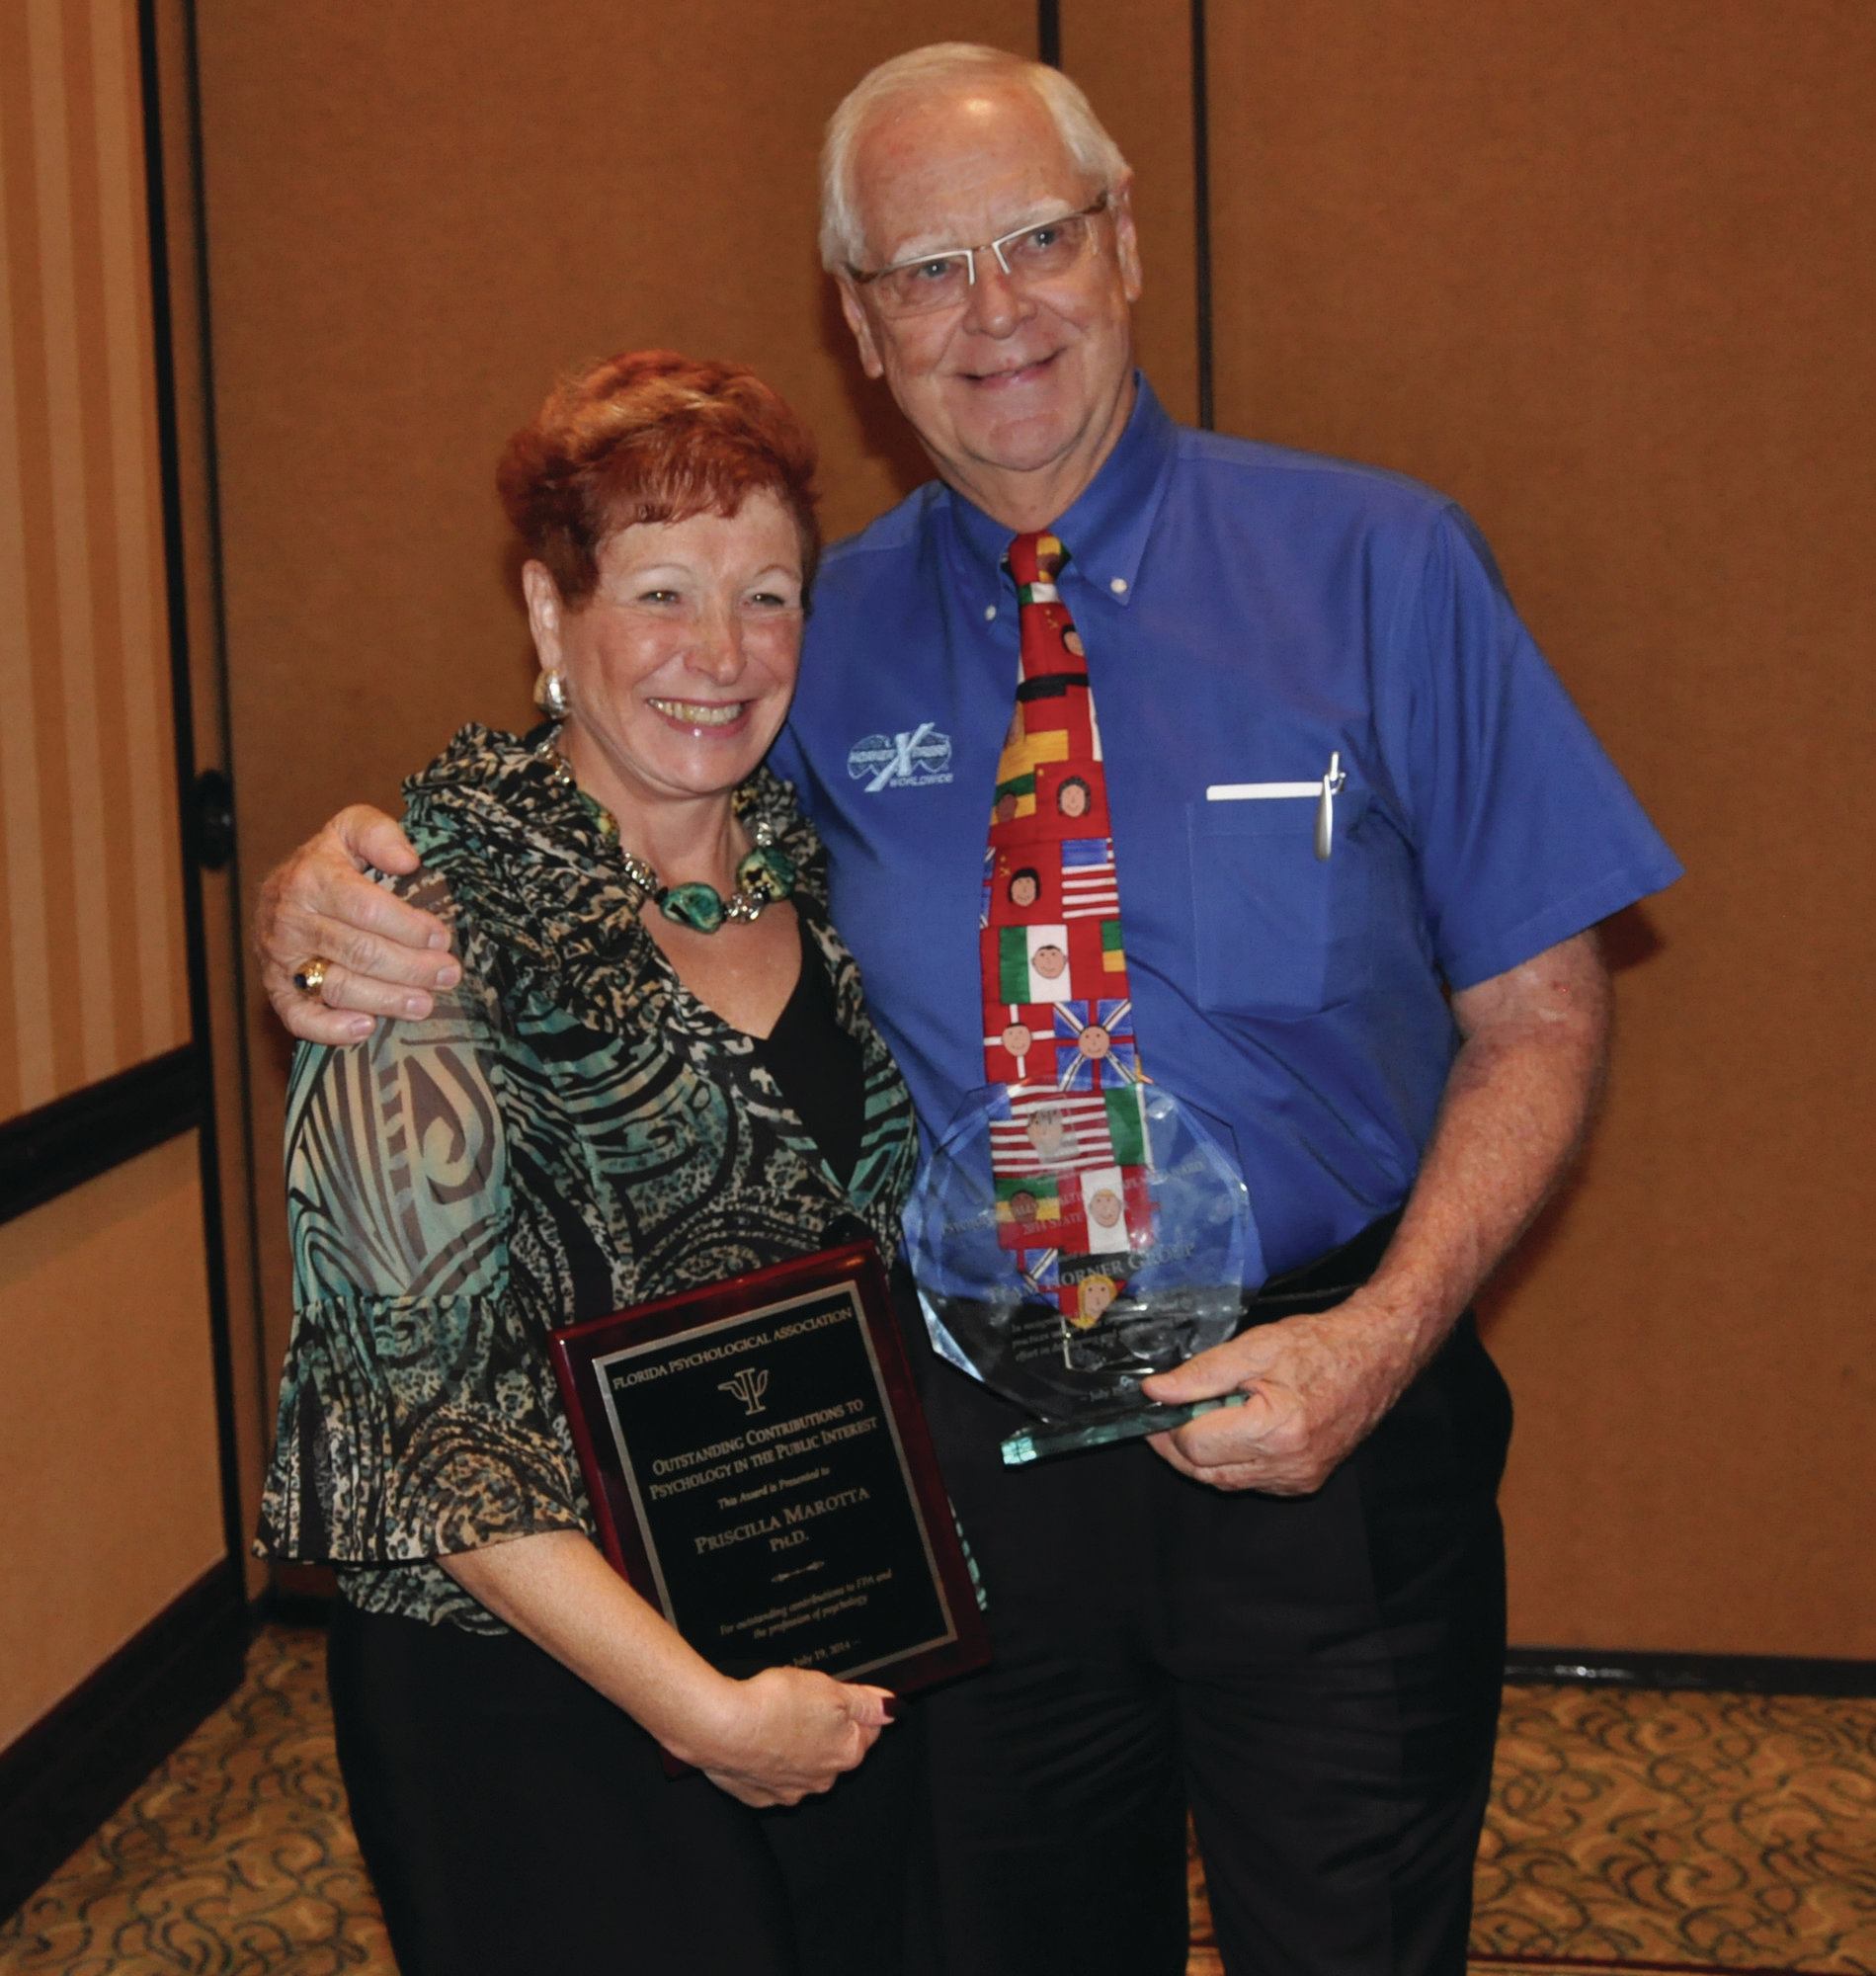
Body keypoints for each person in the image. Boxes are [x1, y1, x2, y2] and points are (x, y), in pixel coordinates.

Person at [255, 43, 1681, 1976]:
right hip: (966, 1473)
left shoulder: (1379, 564)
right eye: (923, 270)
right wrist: (340, 883)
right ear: (857, 325)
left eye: (1033, 242)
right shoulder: (816, 632)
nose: (991, 309)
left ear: (1121, 251)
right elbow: (611, 793)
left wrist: (1374, 1342)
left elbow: (1536, 1008)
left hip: (1323, 1421)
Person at [254, 350, 925, 1976]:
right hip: (532, 1698)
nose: (720, 653)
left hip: (815, 1630)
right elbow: (423, 1419)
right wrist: (701, 1713)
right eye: (663, 592)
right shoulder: (417, 925)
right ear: (553, 619)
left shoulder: (822, 871)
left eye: (767, 597)